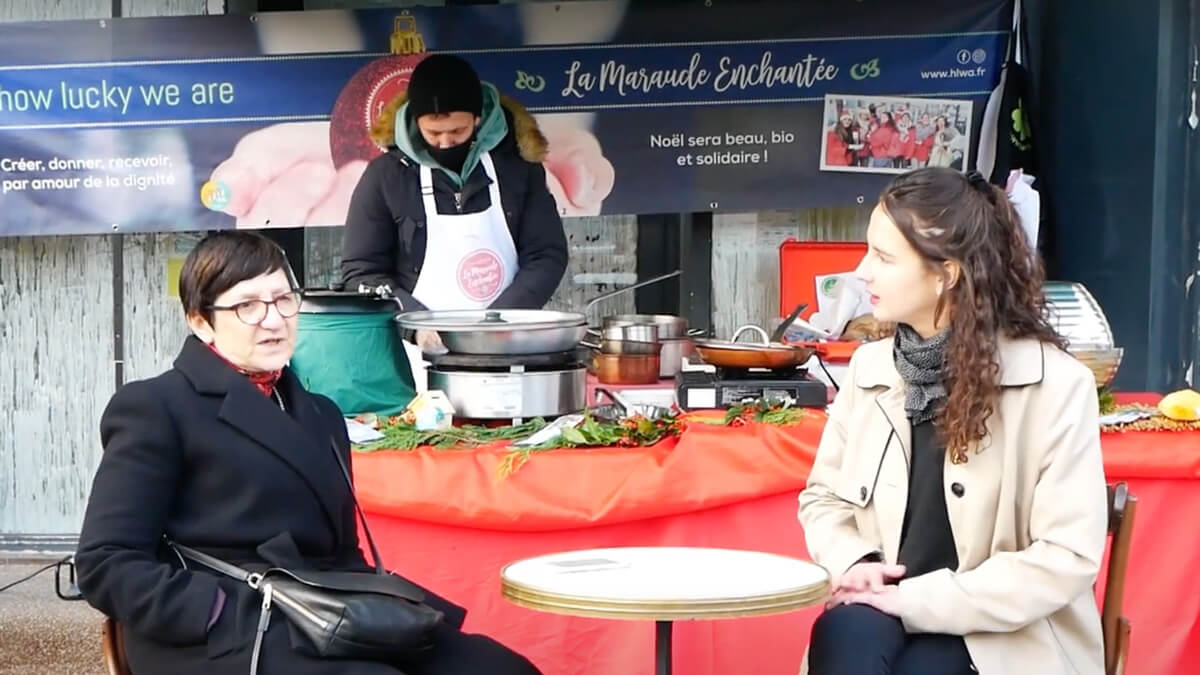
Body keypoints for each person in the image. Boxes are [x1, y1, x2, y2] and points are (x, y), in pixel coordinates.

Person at [74, 231, 541, 675]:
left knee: (498, 667)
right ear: (200, 322)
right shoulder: (156, 406)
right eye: (247, 306)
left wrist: (377, 613)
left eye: (282, 300)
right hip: (214, 631)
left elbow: (342, 551)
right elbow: (105, 561)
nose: (274, 319)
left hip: (322, 610)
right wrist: (213, 611)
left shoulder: (321, 413)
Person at [798, 168, 1107, 675]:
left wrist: (916, 601)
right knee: (843, 633)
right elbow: (823, 498)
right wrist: (855, 563)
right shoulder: (870, 368)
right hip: (882, 608)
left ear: (947, 273)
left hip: (1010, 637)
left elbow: (1064, 557)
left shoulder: (1054, 383)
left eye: (884, 257)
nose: (861, 272)